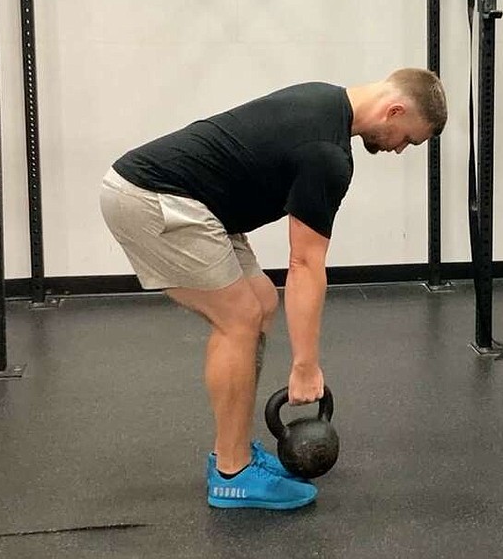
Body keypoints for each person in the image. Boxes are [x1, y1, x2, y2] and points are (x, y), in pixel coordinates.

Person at [99, 68, 448, 510]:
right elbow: (304, 263)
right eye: (408, 139)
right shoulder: (327, 153)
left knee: (260, 302)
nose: (400, 149)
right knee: (238, 318)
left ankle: (237, 451)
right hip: (153, 197)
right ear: (394, 110)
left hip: (200, 206)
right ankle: (231, 473)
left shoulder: (325, 100)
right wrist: (305, 366)